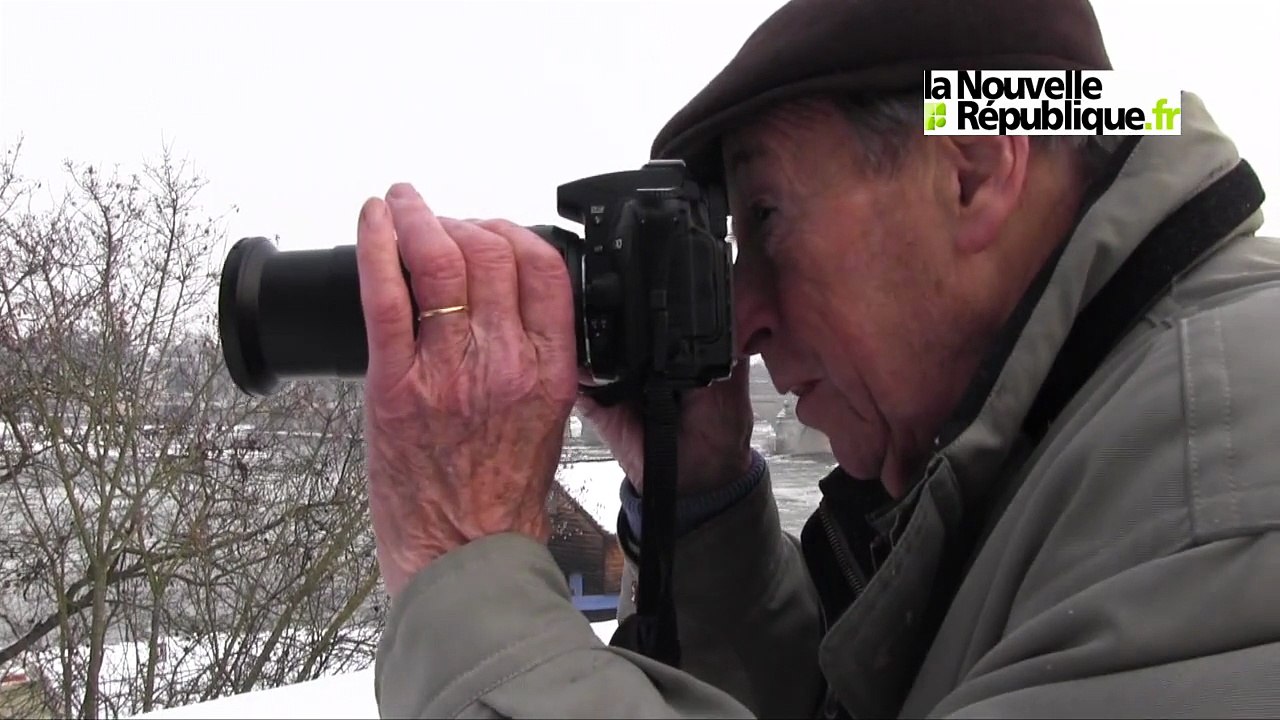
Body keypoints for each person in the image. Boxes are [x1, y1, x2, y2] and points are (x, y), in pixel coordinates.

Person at [357, 0, 1280, 716]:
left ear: (971, 167)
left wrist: (467, 566)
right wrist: (705, 504)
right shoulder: (1078, 439)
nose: (745, 319)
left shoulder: (1228, 483)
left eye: (765, 218)